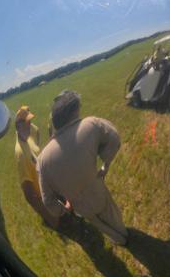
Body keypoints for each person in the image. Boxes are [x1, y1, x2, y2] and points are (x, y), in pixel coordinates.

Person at [37, 90, 129, 245]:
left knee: (97, 222)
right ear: (73, 111)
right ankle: (123, 234)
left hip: (79, 206)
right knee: (111, 214)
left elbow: (48, 202)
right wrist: (105, 165)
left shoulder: (42, 160)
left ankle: (118, 240)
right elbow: (114, 138)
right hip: (97, 189)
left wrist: (65, 209)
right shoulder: (90, 123)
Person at [14, 106, 59, 229]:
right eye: (28, 122)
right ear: (19, 126)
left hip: (51, 189)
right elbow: (28, 195)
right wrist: (49, 217)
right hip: (46, 200)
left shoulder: (27, 137)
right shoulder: (20, 154)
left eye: (30, 122)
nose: (30, 125)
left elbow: (37, 156)